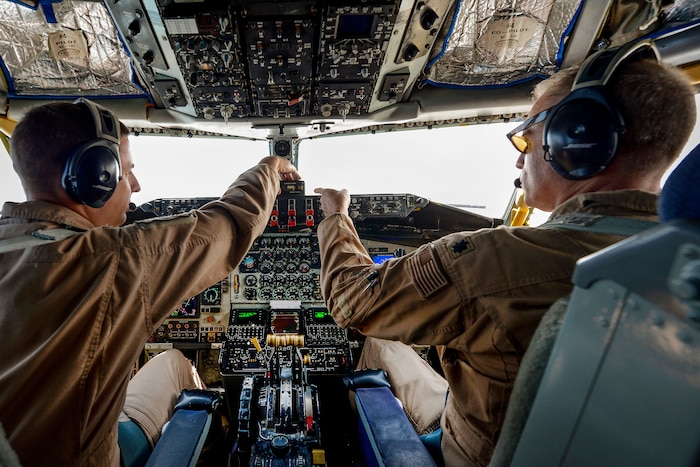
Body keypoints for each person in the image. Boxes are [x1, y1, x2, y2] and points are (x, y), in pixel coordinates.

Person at [313, 44, 697, 466]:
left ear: (575, 138)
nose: (518, 160)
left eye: (525, 137)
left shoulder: (494, 261)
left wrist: (337, 216)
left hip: (469, 454)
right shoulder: (685, 269)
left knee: (375, 339)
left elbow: (352, 300)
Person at [0, 98, 301, 466]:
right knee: (186, 378)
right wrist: (271, 166)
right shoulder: (114, 259)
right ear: (97, 177)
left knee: (173, 360)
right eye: (127, 172)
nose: (137, 187)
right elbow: (231, 222)